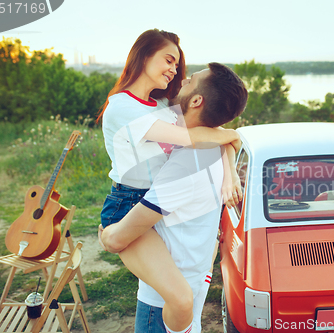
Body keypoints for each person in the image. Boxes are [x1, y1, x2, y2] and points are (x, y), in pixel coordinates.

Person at [97, 29, 241, 332]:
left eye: (178, 64)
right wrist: (232, 134)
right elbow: (192, 135)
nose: (175, 70)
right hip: (127, 204)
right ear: (144, 54)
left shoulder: (161, 105)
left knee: (178, 294)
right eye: (169, 59)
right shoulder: (122, 106)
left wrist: (230, 173)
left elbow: (209, 126)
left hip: (150, 203)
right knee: (177, 296)